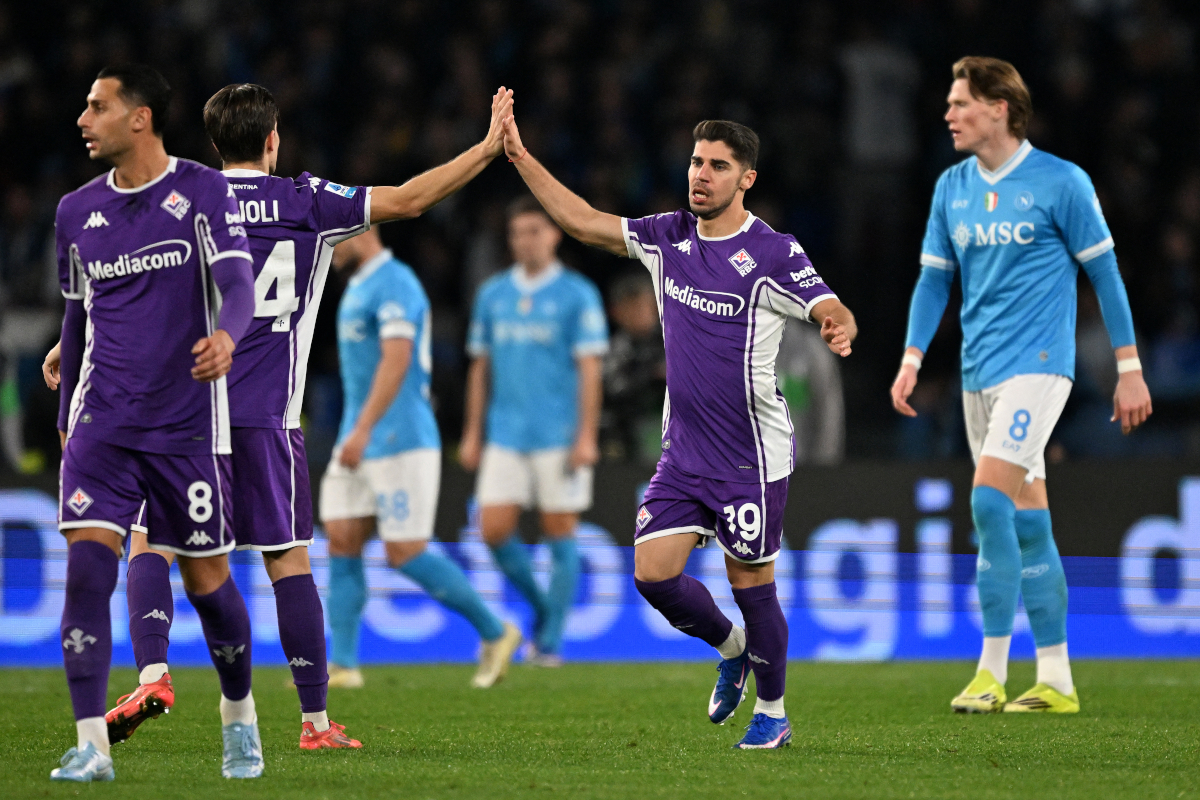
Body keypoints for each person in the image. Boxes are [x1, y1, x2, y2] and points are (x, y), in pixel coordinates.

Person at [45, 82, 516, 749]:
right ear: (271, 140)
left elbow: (127, 282)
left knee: (150, 540)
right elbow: (410, 198)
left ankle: (153, 672)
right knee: (288, 561)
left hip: (182, 417)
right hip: (270, 416)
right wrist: (487, 147)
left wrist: (71, 341)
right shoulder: (307, 201)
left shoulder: (184, 199)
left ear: (213, 143)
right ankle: (315, 723)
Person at [499, 113, 856, 749]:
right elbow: (583, 221)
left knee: (752, 582)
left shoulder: (773, 251)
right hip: (683, 452)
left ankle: (773, 713)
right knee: (651, 574)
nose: (701, 175)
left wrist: (837, 322)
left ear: (745, 178)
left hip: (750, 457)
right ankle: (733, 647)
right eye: (696, 162)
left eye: (717, 166)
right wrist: (521, 156)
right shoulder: (667, 237)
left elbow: (824, 300)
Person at [891, 57, 1152, 714]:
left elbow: (1108, 276)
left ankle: (989, 669)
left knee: (986, 505)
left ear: (999, 108)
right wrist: (912, 358)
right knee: (1030, 524)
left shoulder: (1061, 182)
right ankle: (1057, 679)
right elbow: (933, 281)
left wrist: (1129, 369)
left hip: (1039, 367)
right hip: (978, 373)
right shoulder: (951, 186)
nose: (948, 114)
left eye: (960, 103)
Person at [48, 64, 257, 781]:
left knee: (209, 587)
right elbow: (77, 319)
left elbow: (238, 285)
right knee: (85, 574)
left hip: (186, 427)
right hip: (104, 424)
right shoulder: (75, 212)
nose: (83, 119)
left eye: (98, 106)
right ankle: (90, 746)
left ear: (139, 118)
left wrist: (229, 335)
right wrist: (64, 411)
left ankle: (239, 716)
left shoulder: (201, 190)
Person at [321, 226, 523, 688]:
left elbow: (397, 359)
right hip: (359, 437)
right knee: (342, 539)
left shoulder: (395, 281)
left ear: (364, 230)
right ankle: (345, 666)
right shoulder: (358, 285)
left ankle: (496, 631)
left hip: (399, 437)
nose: (329, 245)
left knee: (404, 551)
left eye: (336, 236)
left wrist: (364, 429)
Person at [459, 196, 609, 666]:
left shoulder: (577, 294)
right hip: (505, 433)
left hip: (559, 435)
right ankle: (545, 610)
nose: (526, 240)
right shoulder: (493, 294)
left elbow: (589, 370)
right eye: (518, 232)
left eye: (535, 231)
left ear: (555, 234)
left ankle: (550, 643)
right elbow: (480, 368)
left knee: (559, 530)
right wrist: (472, 432)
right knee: (493, 528)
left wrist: (586, 435)